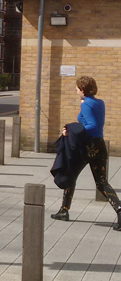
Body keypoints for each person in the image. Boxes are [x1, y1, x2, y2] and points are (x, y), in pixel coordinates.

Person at [51, 75, 121, 229]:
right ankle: (119, 210)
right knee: (102, 183)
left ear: (82, 90)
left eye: (77, 89)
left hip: (86, 147)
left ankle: (64, 210)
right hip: (99, 146)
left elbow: (92, 125)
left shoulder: (86, 105)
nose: (76, 91)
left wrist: (71, 131)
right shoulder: (99, 102)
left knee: (70, 174)